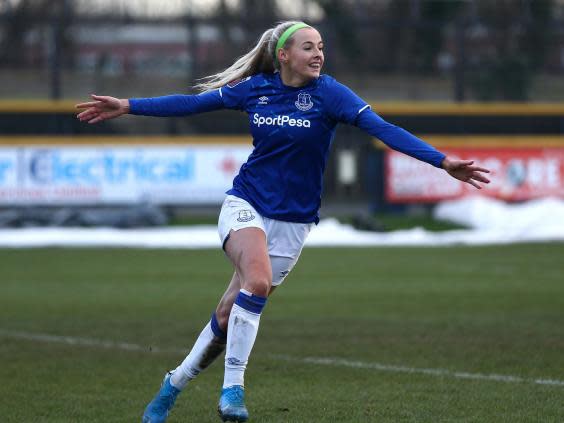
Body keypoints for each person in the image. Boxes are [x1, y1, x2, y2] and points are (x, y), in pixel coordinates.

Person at [76, 21, 490, 423]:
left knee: (226, 316)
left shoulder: (331, 95)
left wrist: (442, 161)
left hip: (295, 221)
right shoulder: (256, 89)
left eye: (322, 47)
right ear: (284, 55)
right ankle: (232, 390)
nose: (318, 54)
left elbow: (383, 128)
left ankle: (173, 384)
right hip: (247, 202)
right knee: (256, 283)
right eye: (308, 47)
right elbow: (191, 103)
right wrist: (128, 105)